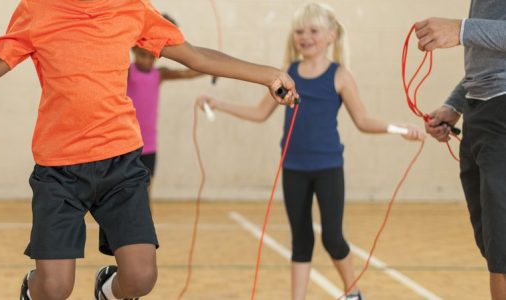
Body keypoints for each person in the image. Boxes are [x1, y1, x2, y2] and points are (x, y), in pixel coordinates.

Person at [0, 1, 298, 299]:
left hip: (121, 163)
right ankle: (32, 287)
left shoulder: (129, 8)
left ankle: (107, 288)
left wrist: (266, 74)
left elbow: (195, 56)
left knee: (142, 276)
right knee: (55, 288)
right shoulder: (37, 10)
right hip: (59, 170)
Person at [197, 3, 422, 299]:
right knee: (300, 240)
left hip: (328, 168)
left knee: (332, 238)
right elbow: (259, 112)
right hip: (293, 169)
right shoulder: (287, 74)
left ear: (330, 36)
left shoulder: (340, 75)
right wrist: (219, 104)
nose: (305, 37)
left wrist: (399, 129)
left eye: (313, 30)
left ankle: (352, 291)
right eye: (300, 31)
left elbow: (363, 121)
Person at [417, 1, 506, 298]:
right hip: (479, 112)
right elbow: (487, 57)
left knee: (502, 254)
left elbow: (474, 35)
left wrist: (461, 29)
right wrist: (454, 104)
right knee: (492, 242)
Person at [127, 14, 204, 180]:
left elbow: (187, 73)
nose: (147, 61)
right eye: (142, 55)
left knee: (147, 186)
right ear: (133, 49)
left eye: (150, 56)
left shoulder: (159, 74)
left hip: (149, 144)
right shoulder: (127, 73)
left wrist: (211, 69)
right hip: (127, 143)